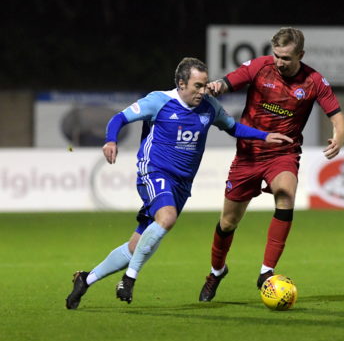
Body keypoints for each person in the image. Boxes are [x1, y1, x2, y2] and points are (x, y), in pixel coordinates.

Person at [65, 57, 292, 309]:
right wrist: (110, 140)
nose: (202, 90)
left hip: (182, 184)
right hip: (154, 171)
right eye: (197, 85)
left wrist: (265, 136)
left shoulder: (209, 107)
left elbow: (233, 128)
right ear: (182, 84)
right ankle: (129, 279)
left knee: (136, 246)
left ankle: (86, 279)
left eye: (205, 85)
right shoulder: (159, 101)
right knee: (167, 218)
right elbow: (119, 118)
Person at [198, 27, 344, 302]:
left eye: (286, 58)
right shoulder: (260, 67)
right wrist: (218, 86)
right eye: (277, 55)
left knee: (286, 192)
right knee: (228, 222)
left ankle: (267, 272)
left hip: (283, 154)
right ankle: (216, 272)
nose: (279, 62)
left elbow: (338, 117)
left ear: (300, 55)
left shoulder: (314, 81)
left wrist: (339, 138)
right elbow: (229, 81)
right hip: (248, 155)